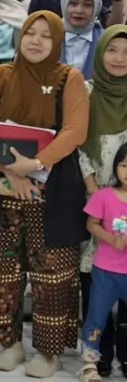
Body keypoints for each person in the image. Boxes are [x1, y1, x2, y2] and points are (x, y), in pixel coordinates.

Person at [0, 11, 90, 377]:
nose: (36, 41)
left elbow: (75, 131)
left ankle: (48, 353)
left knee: (52, 275)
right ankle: (10, 344)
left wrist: (35, 164)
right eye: (30, 33)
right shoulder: (0, 76)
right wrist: (12, 171)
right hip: (3, 189)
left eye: (46, 36)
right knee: (1, 272)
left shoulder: (68, 78)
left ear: (57, 42)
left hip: (55, 192)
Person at [78, 25, 127, 380]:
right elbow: (79, 142)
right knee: (95, 281)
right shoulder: (86, 91)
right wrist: (96, 190)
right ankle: (99, 355)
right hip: (93, 196)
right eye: (112, 50)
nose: (119, 59)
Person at [80, 142, 127, 382]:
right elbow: (91, 224)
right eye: (124, 165)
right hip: (105, 272)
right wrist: (111, 239)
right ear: (116, 166)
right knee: (96, 318)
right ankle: (90, 364)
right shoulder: (103, 196)